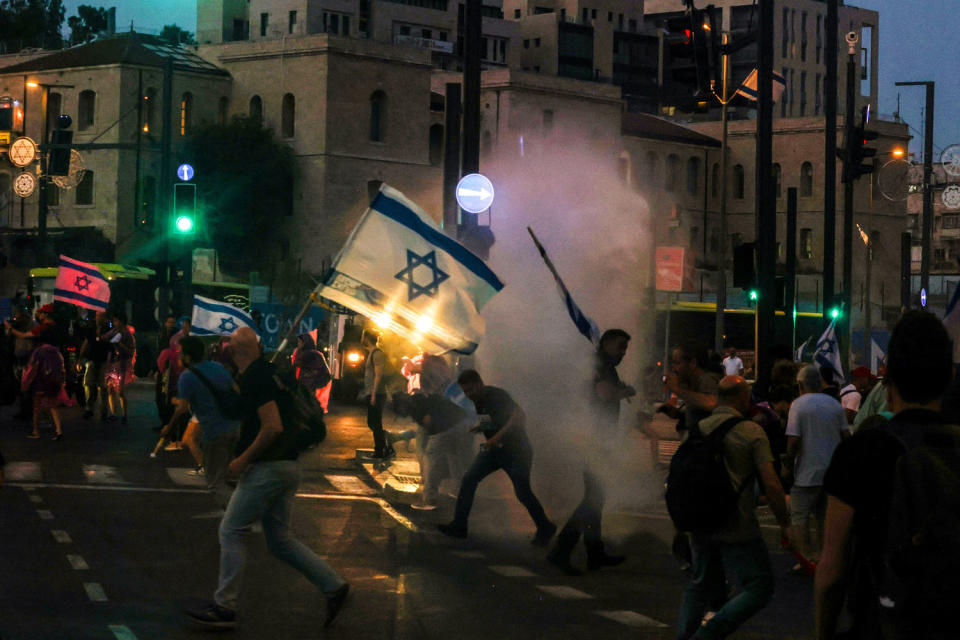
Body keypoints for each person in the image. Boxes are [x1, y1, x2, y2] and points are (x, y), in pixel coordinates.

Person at [185, 327, 349, 630]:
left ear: (234, 353)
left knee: (231, 530)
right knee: (280, 540)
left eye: (230, 346)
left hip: (268, 468)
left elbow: (272, 426)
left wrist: (241, 459)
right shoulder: (269, 372)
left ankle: (224, 607)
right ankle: (334, 586)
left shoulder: (258, 378)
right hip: (287, 465)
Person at [816, 312, 958, 639]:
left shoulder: (861, 451)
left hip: (882, 622)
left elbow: (832, 570)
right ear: (950, 375)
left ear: (888, 378)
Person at [675, 376, 791, 640]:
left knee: (699, 582)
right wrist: (784, 523)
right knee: (760, 585)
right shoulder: (751, 431)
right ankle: (709, 634)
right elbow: (772, 484)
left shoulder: (699, 428)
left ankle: (685, 636)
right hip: (736, 522)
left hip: (700, 519)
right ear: (742, 398)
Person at [548, 329, 636, 576]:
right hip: (595, 440)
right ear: (606, 343)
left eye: (625, 349)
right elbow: (604, 394)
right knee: (593, 499)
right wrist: (625, 392)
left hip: (595, 438)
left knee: (596, 498)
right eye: (620, 347)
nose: (623, 353)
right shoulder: (601, 363)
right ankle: (560, 551)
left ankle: (594, 553)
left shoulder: (601, 363)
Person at [437, 370, 555, 543]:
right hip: (495, 451)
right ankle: (459, 526)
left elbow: (518, 417)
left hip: (517, 451)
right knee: (469, 479)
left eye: (471, 390)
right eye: (466, 392)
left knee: (522, 491)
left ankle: (545, 526)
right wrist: (481, 429)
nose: (469, 395)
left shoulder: (497, 395)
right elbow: (489, 420)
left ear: (480, 383)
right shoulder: (479, 400)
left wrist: (495, 438)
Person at [782, 365, 849, 571]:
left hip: (806, 473)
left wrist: (787, 465)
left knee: (800, 515)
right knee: (823, 515)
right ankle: (823, 556)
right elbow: (846, 437)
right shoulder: (835, 404)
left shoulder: (798, 405)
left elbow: (793, 440)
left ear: (801, 384)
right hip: (831, 472)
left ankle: (806, 558)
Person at [165, 336, 241, 507]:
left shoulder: (187, 376)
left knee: (216, 483)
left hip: (215, 432)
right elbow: (236, 390)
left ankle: (238, 518)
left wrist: (169, 428)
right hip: (236, 428)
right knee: (231, 478)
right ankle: (242, 512)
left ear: (188, 357)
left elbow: (182, 408)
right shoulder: (218, 367)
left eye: (181, 353)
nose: (179, 357)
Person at [661, 342, 720, 436]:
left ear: (693, 363)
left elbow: (712, 403)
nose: (673, 368)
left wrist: (677, 389)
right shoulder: (693, 384)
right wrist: (678, 414)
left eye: (677, 363)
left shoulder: (707, 379)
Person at [22, 342, 73, 440]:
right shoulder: (56, 352)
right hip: (52, 383)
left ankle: (35, 431)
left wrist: (25, 382)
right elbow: (62, 367)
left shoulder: (38, 352)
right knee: (53, 406)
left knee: (36, 408)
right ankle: (59, 430)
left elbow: (32, 368)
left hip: (40, 383)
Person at [360, 330, 394, 459]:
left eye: (363, 336)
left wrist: (373, 394)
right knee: (372, 422)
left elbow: (379, 375)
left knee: (375, 422)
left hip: (377, 393)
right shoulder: (371, 353)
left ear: (367, 338)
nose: (361, 338)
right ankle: (385, 444)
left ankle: (380, 450)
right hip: (372, 392)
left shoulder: (377, 354)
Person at [102, 311, 135, 424]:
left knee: (120, 391)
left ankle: (125, 414)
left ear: (121, 321)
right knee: (110, 389)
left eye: (116, 320)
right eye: (114, 320)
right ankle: (113, 413)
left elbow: (131, 350)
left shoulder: (126, 334)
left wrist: (120, 344)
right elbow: (104, 338)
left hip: (121, 364)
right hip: (112, 363)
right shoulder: (114, 331)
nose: (115, 322)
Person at [80, 311, 111, 421]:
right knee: (89, 384)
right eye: (97, 315)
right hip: (91, 359)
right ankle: (89, 408)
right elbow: (86, 342)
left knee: (103, 387)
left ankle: (104, 411)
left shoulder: (108, 329)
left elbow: (110, 346)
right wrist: (80, 357)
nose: (99, 318)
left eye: (101, 316)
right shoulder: (91, 328)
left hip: (102, 360)